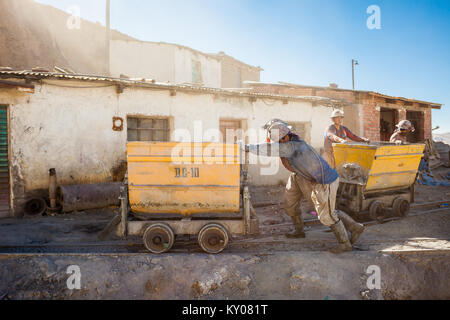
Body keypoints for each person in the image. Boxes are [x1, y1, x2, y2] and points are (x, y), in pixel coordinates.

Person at [239, 119, 365, 253]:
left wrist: (247, 147)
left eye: (280, 141)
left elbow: (270, 149)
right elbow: (272, 145)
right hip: (300, 175)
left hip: (324, 180)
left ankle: (346, 241)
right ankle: (299, 230)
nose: (279, 143)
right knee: (290, 203)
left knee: (326, 214)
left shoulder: (294, 146)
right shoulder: (287, 141)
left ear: (286, 136)